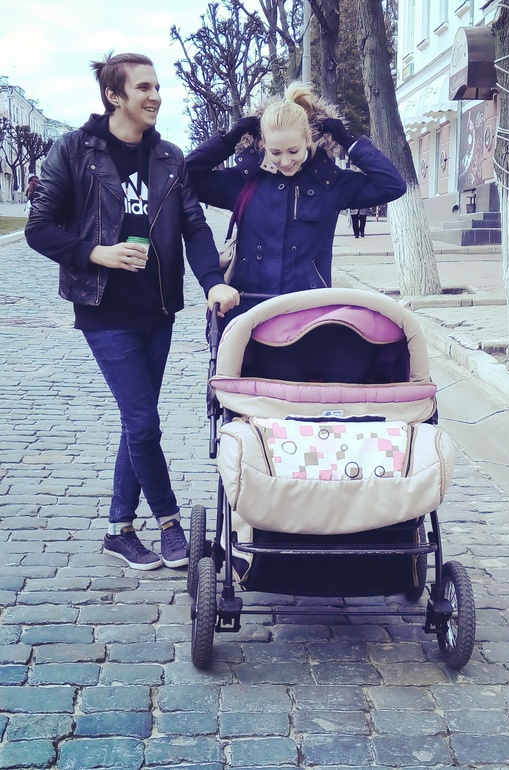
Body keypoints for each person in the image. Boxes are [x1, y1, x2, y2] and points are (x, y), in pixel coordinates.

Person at [25, 52, 240, 571]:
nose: (155, 96)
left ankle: (118, 529)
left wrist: (213, 282)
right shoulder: (74, 150)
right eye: (144, 87)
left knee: (135, 421)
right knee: (144, 423)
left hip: (157, 307)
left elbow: (193, 226)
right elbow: (38, 228)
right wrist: (96, 253)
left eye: (157, 87)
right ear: (113, 95)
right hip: (105, 309)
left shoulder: (168, 156)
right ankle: (169, 524)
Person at [185, 82, 406, 320]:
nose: (285, 161)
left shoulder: (330, 183)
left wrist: (349, 141)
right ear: (264, 144)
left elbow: (392, 185)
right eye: (275, 152)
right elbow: (184, 177)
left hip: (308, 315)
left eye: (293, 151)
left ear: (308, 138)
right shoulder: (243, 181)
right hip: (246, 310)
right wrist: (228, 140)